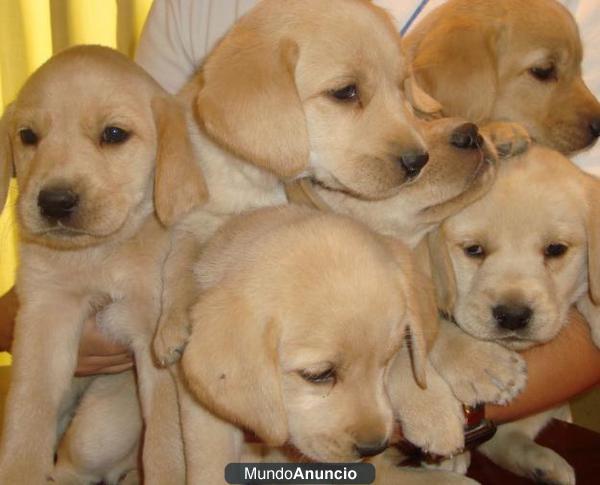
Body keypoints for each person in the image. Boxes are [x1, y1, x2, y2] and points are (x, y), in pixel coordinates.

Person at [1, 0, 599, 417]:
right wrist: (33, 313)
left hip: (404, 393)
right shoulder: (197, 11)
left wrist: (417, 419)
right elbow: (123, 181)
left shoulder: (571, 17)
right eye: (346, 94)